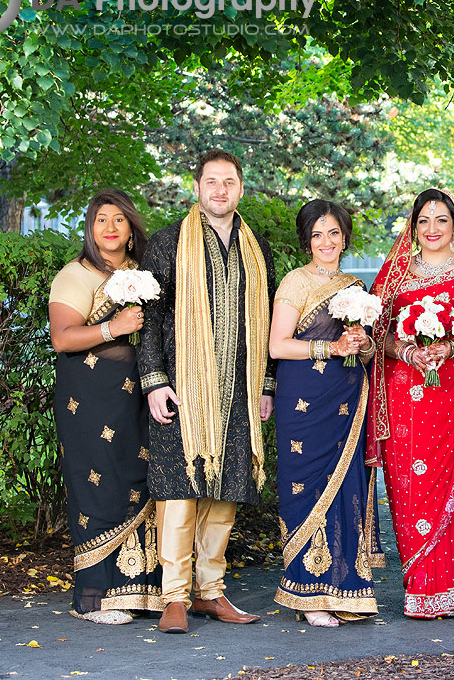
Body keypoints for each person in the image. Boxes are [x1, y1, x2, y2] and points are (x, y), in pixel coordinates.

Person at [137, 150, 276, 634]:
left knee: (226, 492)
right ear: (196, 188)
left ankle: (210, 592)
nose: (221, 190)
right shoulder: (168, 242)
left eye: (229, 182)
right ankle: (173, 596)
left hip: (237, 386)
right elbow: (148, 317)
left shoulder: (256, 249)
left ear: (241, 189)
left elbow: (266, 325)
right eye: (211, 181)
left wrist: (266, 385)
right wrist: (154, 381)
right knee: (179, 491)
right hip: (183, 386)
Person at [367, 189, 454, 618]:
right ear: (413, 226)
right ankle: (421, 589)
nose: (431, 229)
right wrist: (407, 351)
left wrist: (452, 346)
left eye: (441, 220)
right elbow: (375, 333)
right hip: (405, 401)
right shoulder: (394, 276)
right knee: (411, 489)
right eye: (423, 220)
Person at [268, 200, 385, 628]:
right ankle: (306, 593)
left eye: (333, 233)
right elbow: (277, 346)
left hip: (347, 400)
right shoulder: (294, 284)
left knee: (345, 488)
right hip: (304, 401)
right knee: (306, 487)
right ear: (306, 240)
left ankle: (344, 589)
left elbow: (370, 350)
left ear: (344, 237)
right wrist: (331, 348)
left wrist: (361, 343)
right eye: (317, 234)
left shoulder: (355, 287)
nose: (326, 242)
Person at [48, 189, 161, 623]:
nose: (110, 228)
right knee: (99, 484)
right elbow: (62, 337)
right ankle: (93, 598)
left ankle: (136, 593)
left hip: (139, 391)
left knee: (138, 478)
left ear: (132, 228)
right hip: (89, 395)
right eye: (101, 220)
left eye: (119, 219)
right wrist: (113, 327)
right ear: (90, 230)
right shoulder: (75, 275)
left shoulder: (144, 274)